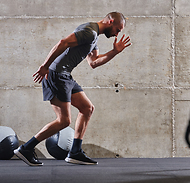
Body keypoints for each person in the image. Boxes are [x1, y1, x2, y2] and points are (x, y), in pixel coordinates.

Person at [14, 12, 131, 166]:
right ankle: (26, 148)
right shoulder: (90, 32)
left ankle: (75, 152)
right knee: (64, 121)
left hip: (65, 76)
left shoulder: (94, 36)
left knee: (87, 108)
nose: (118, 33)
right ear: (110, 21)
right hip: (56, 75)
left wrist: (114, 51)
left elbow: (94, 62)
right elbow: (63, 42)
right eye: (118, 28)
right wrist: (45, 66)